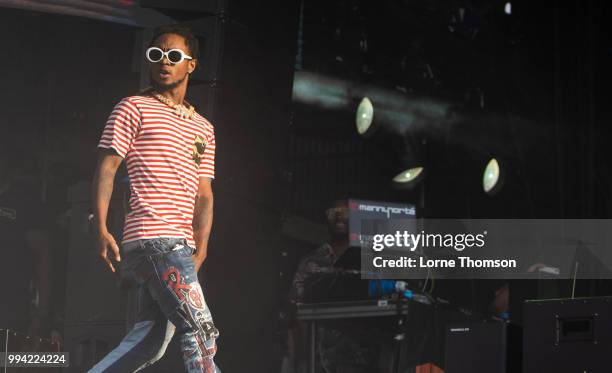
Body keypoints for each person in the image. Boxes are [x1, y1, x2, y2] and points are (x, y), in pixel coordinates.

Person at [89, 25, 220, 373]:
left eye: (174, 56)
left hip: (180, 245)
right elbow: (107, 168)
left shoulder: (203, 129)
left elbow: (203, 194)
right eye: (156, 55)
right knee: (201, 331)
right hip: (153, 239)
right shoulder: (133, 107)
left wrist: (202, 246)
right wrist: (100, 227)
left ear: (191, 65)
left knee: (149, 342)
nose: (164, 62)